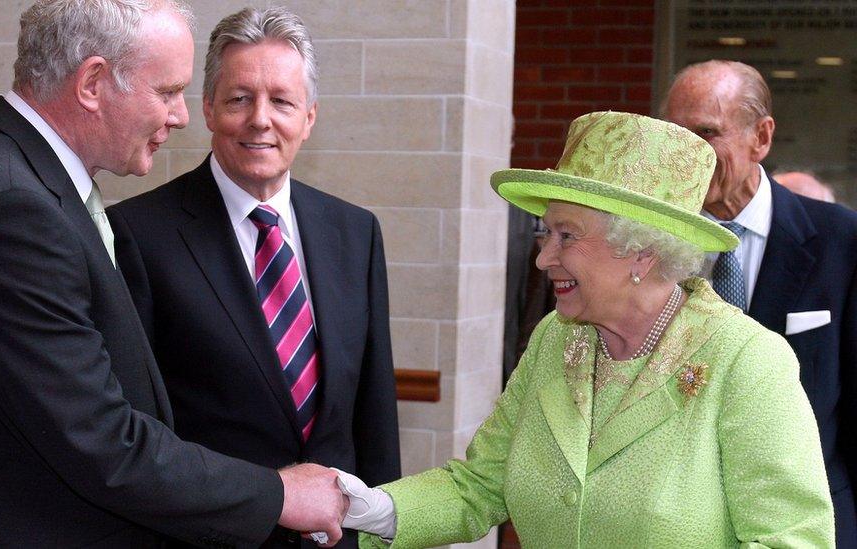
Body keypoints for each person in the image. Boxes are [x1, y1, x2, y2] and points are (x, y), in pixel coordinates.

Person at [0, 1, 347, 546]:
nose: (181, 116)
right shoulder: (10, 207)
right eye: (168, 92)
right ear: (93, 83)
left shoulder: (14, 175)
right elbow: (102, 441)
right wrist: (281, 495)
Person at [333, 111, 834, 547]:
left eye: (566, 235)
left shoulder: (745, 360)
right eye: (545, 233)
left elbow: (792, 541)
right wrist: (370, 509)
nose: (544, 257)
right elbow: (481, 484)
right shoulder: (557, 339)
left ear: (641, 250)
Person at [106, 6, 400, 547]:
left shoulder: (356, 234)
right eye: (240, 98)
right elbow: (136, 429)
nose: (260, 119)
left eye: (282, 101)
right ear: (209, 109)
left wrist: (383, 532)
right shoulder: (137, 235)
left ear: (309, 117)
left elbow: (374, 420)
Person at [663, 59, 857, 548]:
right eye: (675, 134)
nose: (688, 153)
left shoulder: (841, 241)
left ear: (762, 137)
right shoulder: (647, 244)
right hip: (678, 525)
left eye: (706, 133)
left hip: (808, 525)